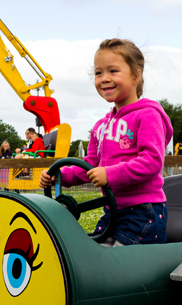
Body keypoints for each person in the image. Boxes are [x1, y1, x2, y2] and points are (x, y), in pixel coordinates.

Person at [40, 38, 173, 247]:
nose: (104, 78)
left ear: (136, 75)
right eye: (99, 73)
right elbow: (91, 166)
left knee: (117, 264)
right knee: (94, 254)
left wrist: (110, 174)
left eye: (113, 71)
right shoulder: (101, 126)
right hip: (112, 210)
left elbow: (151, 161)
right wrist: (60, 176)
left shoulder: (148, 115)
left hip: (143, 211)